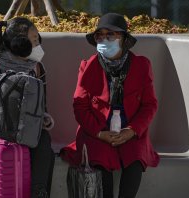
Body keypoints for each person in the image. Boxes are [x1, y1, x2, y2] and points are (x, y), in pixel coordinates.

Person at [67, 13, 160, 198]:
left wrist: (131, 130)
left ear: (123, 39)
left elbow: (149, 105)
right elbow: (80, 107)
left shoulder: (141, 65)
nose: (104, 39)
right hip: (96, 132)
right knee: (99, 157)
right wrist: (100, 133)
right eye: (99, 35)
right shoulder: (88, 66)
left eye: (110, 35)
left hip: (130, 131)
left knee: (135, 158)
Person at [0, 17, 55, 198]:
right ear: (19, 44)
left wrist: (44, 118)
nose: (37, 44)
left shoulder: (37, 68)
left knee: (45, 145)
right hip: (2, 129)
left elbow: (40, 105)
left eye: (37, 39)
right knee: (40, 144)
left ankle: (39, 192)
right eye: (33, 41)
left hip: (29, 129)